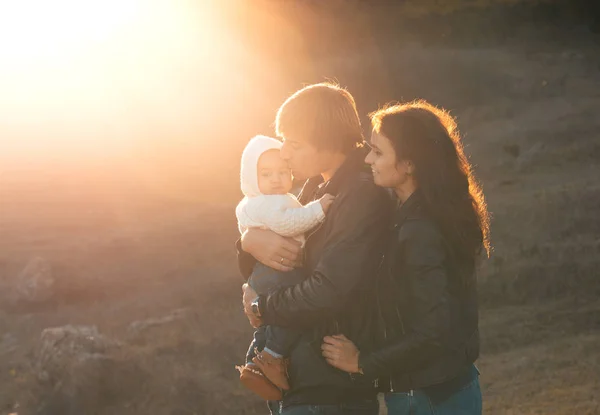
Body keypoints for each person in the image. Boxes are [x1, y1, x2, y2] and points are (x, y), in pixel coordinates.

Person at [320, 100, 491, 415]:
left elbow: (434, 330)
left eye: (379, 152)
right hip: (442, 387)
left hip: (427, 396)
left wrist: (362, 362)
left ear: (410, 164)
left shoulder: (420, 231)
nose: (368, 158)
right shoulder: (420, 213)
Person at [238, 82, 393, 415]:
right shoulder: (311, 190)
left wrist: (264, 307)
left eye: (294, 144)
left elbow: (329, 289)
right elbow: (278, 249)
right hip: (304, 382)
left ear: (329, 142)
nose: (285, 153)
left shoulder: (359, 195)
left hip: (330, 387)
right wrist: (247, 244)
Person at [235, 134, 335, 400]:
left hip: (264, 274)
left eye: (283, 172)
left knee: (269, 321)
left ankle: (255, 365)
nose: (277, 179)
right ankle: (273, 357)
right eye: (267, 174)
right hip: (277, 273)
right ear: (251, 177)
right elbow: (288, 224)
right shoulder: (271, 202)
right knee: (291, 310)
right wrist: (320, 209)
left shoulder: (254, 202)